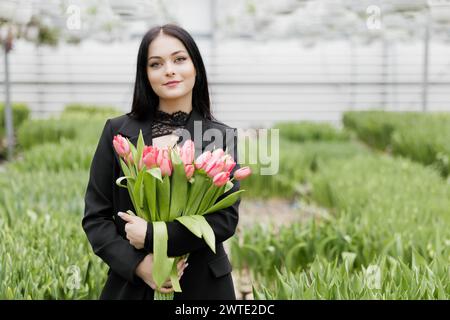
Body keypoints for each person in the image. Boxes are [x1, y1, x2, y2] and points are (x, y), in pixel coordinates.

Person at [82, 23, 241, 300]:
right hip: (132, 285)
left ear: (196, 67)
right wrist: (139, 265)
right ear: (145, 74)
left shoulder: (220, 136)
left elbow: (224, 220)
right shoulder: (117, 131)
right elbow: (96, 217)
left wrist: (153, 235)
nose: (169, 70)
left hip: (202, 286)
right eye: (156, 64)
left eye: (179, 59)